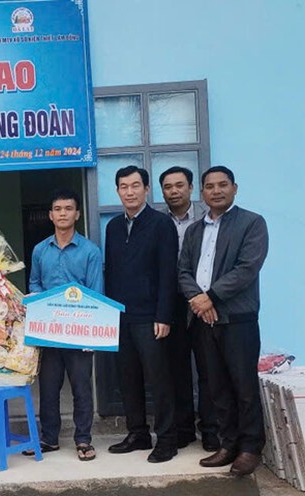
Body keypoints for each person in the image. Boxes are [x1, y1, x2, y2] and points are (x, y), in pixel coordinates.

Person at [179, 166, 268, 476]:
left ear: (234, 188)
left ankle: (250, 447)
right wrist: (198, 301)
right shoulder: (194, 231)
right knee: (216, 387)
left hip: (237, 320)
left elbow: (247, 269)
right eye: (209, 186)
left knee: (243, 386)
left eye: (222, 185)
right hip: (203, 321)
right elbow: (184, 272)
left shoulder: (252, 223)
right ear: (201, 192)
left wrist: (211, 297)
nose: (216, 191)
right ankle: (227, 444)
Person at [104, 166, 179, 463]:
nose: (130, 192)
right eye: (124, 186)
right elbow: (110, 272)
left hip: (151, 316)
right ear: (118, 191)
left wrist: (164, 315)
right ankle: (138, 433)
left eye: (136, 185)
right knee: (127, 377)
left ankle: (168, 439)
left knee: (158, 379)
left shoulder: (161, 224)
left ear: (147, 189)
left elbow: (167, 273)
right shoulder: (112, 227)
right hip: (120, 316)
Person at [27, 189, 103, 462]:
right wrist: (39, 298)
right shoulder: (40, 250)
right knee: (48, 387)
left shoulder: (90, 251)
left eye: (68, 208)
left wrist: (89, 332)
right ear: (50, 215)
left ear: (77, 214)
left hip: (80, 330)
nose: (62, 213)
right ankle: (49, 438)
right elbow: (34, 283)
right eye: (57, 209)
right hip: (49, 331)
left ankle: (83, 439)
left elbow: (96, 292)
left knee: (82, 387)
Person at [159, 166, 219, 452]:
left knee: (208, 369)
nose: (174, 191)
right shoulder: (159, 223)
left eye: (179, 185)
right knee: (175, 370)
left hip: (206, 302)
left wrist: (203, 297)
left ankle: (210, 429)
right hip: (172, 304)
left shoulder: (206, 221)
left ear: (191, 188)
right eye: (168, 187)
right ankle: (183, 429)